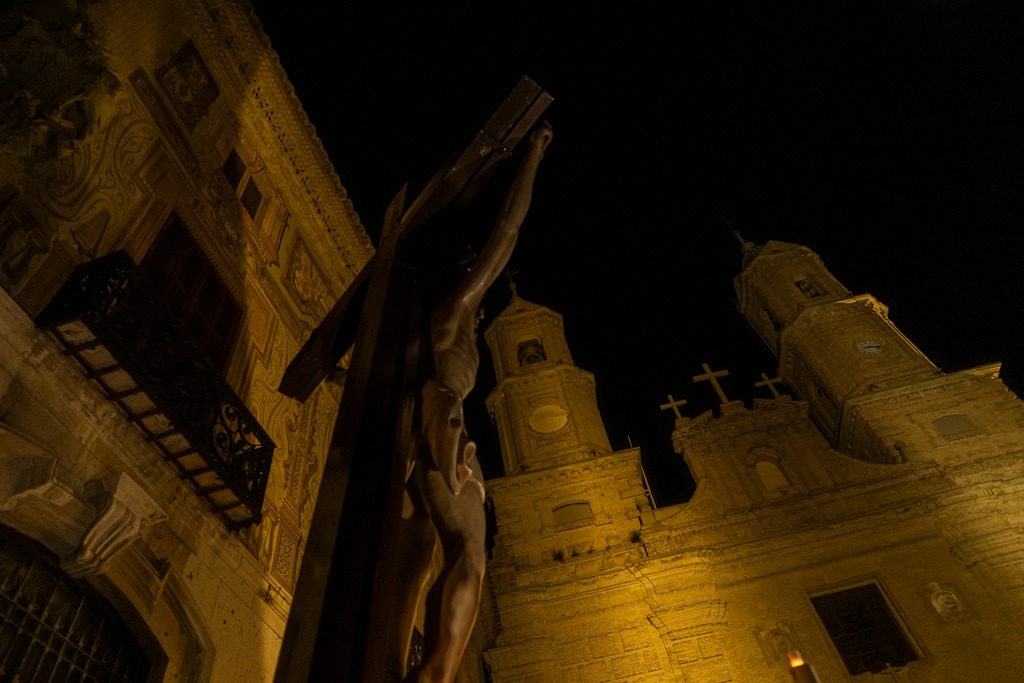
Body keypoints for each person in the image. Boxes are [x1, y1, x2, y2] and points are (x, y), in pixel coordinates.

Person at [394, 123, 553, 683]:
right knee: (470, 553)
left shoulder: (421, 334)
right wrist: (533, 155)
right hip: (445, 419)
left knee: (417, 559)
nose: (482, 302)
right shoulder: (459, 306)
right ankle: (435, 674)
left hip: (422, 425)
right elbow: (508, 228)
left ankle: (398, 662)